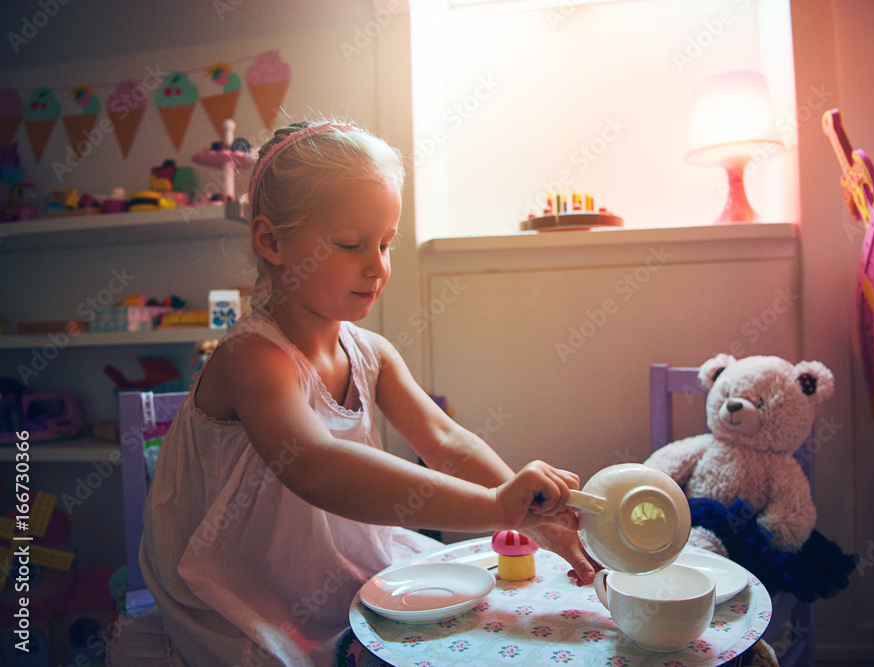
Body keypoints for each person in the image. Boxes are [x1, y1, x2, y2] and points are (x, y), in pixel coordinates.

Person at [109, 119, 596, 666]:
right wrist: (491, 507)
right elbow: (316, 465)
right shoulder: (253, 357)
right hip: (244, 596)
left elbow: (443, 440)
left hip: (346, 566)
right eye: (351, 244)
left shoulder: (373, 353)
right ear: (271, 241)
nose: (377, 265)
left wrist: (524, 506)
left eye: (386, 243)